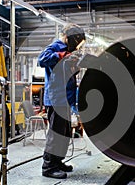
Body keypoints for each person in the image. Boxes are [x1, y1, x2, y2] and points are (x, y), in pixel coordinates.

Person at [38, 23, 85, 179]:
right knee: (56, 134)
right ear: (69, 37)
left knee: (64, 133)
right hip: (56, 98)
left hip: (65, 98)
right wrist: (60, 55)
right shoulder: (55, 47)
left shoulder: (69, 51)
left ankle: (58, 162)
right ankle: (48, 167)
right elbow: (42, 59)